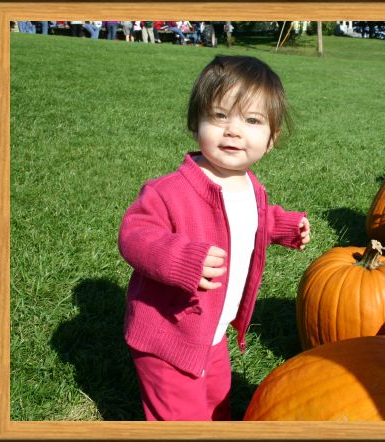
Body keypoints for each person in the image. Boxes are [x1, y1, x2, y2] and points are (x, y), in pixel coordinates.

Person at [118, 55, 310, 421]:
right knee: (181, 416)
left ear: (271, 139)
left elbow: (249, 222)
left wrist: (283, 226)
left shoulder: (251, 187)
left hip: (212, 331)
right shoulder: (170, 191)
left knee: (218, 403)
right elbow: (135, 234)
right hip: (169, 335)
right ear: (196, 123)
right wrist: (179, 258)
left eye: (252, 121)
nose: (234, 130)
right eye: (220, 116)